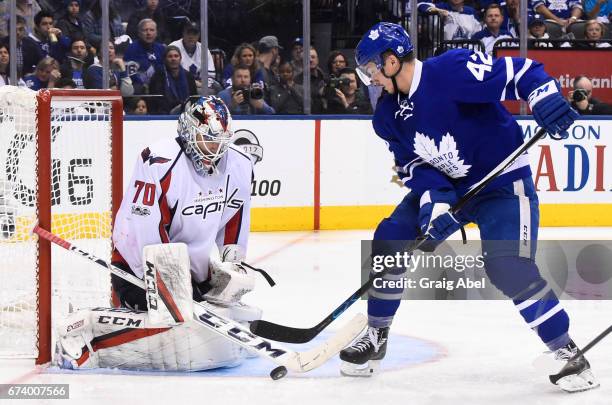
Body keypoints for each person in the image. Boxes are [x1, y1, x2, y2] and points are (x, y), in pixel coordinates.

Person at [339, 22, 597, 393]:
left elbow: (523, 72)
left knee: (507, 266)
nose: (369, 79)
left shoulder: (452, 71)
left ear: (392, 62)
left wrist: (544, 99)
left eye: (371, 69)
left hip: (502, 185)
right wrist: (435, 207)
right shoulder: (387, 116)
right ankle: (377, 333)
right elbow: (415, 168)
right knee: (390, 238)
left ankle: (566, 350)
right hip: (451, 185)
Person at [54, 96, 262, 372]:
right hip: (137, 268)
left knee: (227, 323)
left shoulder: (239, 164)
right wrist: (175, 288)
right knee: (183, 327)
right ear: (188, 132)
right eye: (208, 139)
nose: (216, 148)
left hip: (193, 271)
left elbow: (236, 216)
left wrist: (231, 266)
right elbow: (145, 230)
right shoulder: (160, 161)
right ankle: (87, 328)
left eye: (221, 140)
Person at [148, 45, 198, 114]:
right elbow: (157, 101)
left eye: (176, 56)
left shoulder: (188, 76)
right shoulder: (158, 76)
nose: (173, 59)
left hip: (186, 111)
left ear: (180, 58)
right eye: (170, 56)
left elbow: (194, 97)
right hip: (164, 113)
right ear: (165, 59)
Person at [168, 21, 215, 90]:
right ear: (183, 33)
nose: (191, 36)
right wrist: (193, 82)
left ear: (199, 35)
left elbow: (210, 75)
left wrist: (203, 84)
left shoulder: (203, 49)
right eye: (188, 33)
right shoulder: (173, 47)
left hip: (200, 87)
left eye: (194, 33)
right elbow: (169, 74)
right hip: (178, 86)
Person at [123, 18, 165, 93]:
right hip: (138, 87)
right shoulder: (131, 49)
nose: (148, 33)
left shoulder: (161, 49)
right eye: (145, 30)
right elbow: (131, 74)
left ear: (156, 33)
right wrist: (144, 85)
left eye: (152, 30)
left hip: (159, 87)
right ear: (139, 33)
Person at [418, 0, 482, 40]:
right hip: (442, 52)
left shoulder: (471, 12)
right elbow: (421, 5)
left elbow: (477, 34)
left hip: (466, 52)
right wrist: (435, 10)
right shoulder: (440, 7)